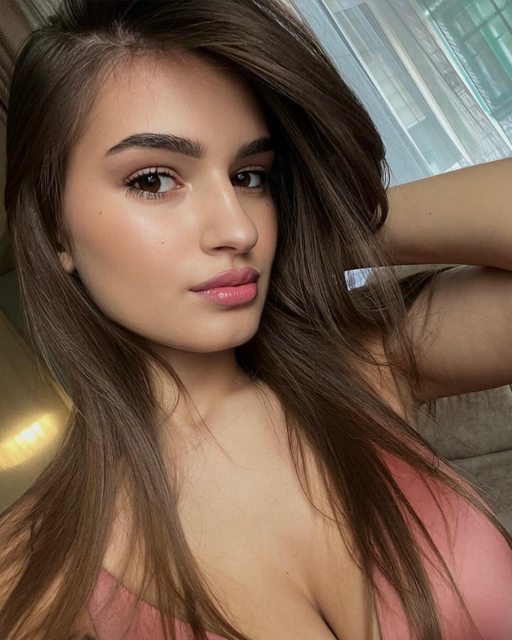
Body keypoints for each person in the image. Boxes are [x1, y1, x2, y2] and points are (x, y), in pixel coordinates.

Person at [0, 0, 511, 639]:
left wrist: (323, 230)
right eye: (154, 181)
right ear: (55, 230)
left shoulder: (364, 366)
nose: (239, 229)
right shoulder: (32, 568)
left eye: (249, 176)